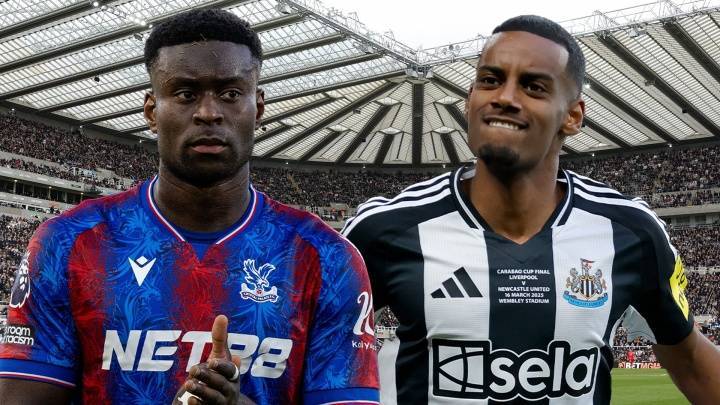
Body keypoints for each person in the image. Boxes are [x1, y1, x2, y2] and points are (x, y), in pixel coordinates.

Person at [0, 9, 379, 405]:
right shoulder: (67, 243)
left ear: (259, 108)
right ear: (152, 111)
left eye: (230, 94)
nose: (208, 113)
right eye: (185, 94)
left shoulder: (328, 258)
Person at [342, 14, 720, 405]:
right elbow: (317, 356)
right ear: (469, 99)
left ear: (573, 116)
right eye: (490, 80)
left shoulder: (630, 232)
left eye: (533, 86)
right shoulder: (383, 230)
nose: (504, 97)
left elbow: (690, 360)